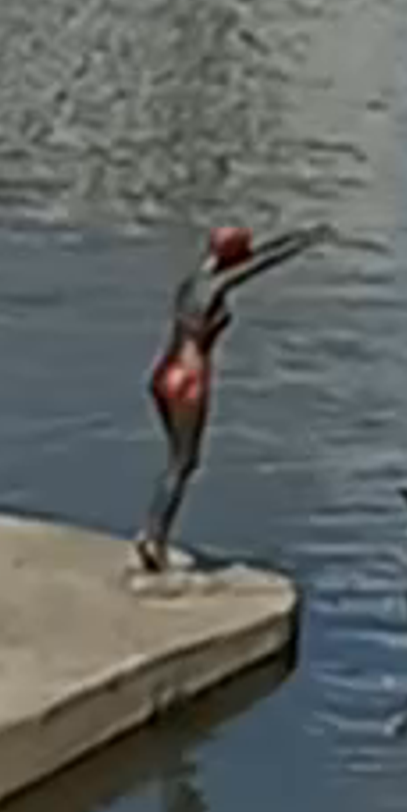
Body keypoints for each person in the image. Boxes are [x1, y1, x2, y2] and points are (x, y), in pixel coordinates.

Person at [133, 217, 311, 570]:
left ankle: (153, 533)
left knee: (176, 462)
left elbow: (253, 259)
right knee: (184, 462)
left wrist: (289, 238)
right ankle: (154, 538)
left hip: (164, 371)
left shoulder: (192, 283)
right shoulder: (214, 286)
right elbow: (259, 264)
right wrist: (301, 242)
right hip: (189, 378)